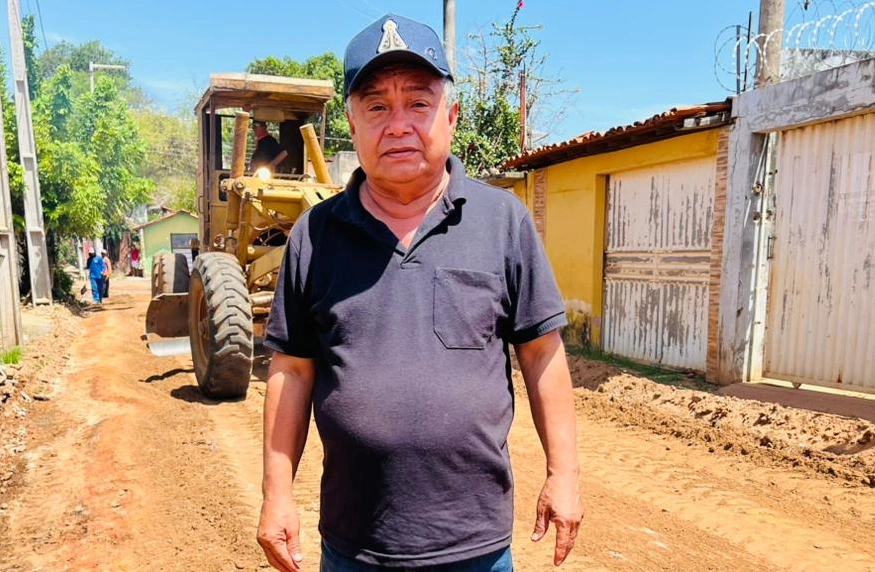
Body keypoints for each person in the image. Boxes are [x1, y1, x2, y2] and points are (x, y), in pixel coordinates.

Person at [258, 13, 583, 572]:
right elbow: (292, 370)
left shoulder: (502, 221)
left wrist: (565, 474)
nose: (398, 125)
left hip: (474, 547)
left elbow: (541, 355)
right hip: (355, 546)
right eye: (377, 107)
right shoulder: (315, 235)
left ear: (450, 117)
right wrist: (276, 493)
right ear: (352, 125)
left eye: (418, 103)